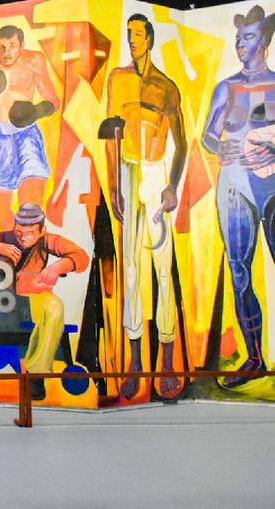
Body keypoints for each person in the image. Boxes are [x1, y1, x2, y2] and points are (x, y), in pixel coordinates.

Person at [106, 14, 187, 400]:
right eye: (129, 35)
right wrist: (113, 184)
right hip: (127, 170)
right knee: (132, 269)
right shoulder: (117, 79)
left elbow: (181, 142)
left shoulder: (166, 87)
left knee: (162, 266)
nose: (132, 41)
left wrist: (172, 185)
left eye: (138, 35)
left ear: (150, 39)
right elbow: (112, 133)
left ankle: (166, 356)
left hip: (155, 173)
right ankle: (136, 359)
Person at [201, 5, 275, 388]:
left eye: (247, 37)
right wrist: (219, 145)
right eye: (238, 37)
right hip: (234, 186)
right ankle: (255, 358)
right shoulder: (226, 88)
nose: (240, 43)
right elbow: (208, 136)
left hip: (271, 186)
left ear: (263, 42)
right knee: (240, 272)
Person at [0, 203, 89, 400]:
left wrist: (58, 267)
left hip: (38, 296)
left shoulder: (48, 240)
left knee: (55, 306)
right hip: (10, 300)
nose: (23, 238)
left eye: (30, 233)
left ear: (42, 230)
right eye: (19, 232)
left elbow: (81, 257)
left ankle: (36, 373)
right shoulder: (6, 238)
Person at [0, 25, 59, 231]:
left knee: (30, 208)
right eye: (1, 47)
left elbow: (53, 100)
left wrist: (35, 111)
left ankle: (32, 248)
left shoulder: (34, 60)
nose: (6, 52)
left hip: (27, 135)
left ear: (22, 45)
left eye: (12, 46)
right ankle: (12, 248)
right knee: (1, 210)